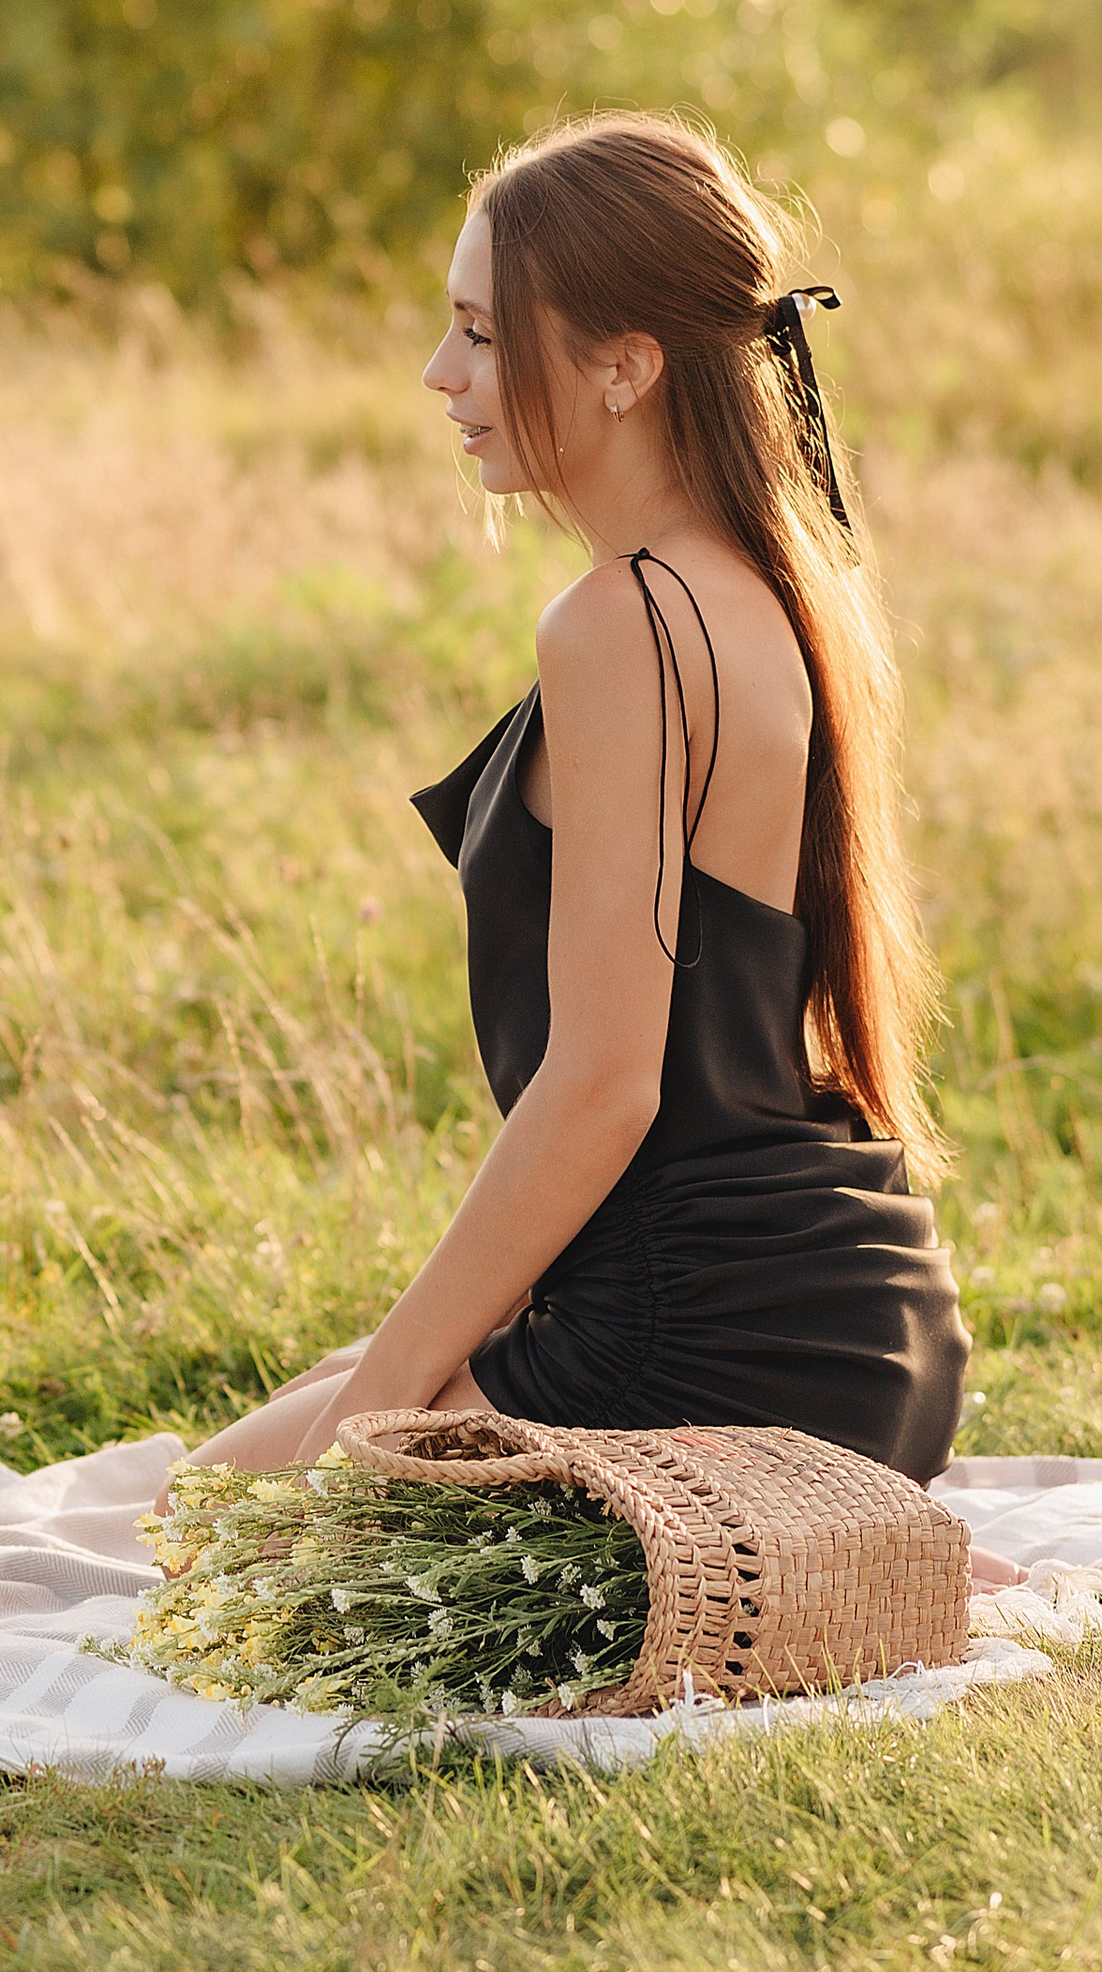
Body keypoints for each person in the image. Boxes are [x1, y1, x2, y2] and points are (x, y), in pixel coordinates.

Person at [192, 112, 996, 1556]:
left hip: (707, 1339)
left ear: (625, 366)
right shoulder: (764, 578)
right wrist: (384, 1379)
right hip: (853, 1319)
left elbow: (602, 1090)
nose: (440, 374)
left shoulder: (624, 621)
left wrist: (369, 1432)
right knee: (240, 1451)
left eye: (481, 334)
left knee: (212, 1528)